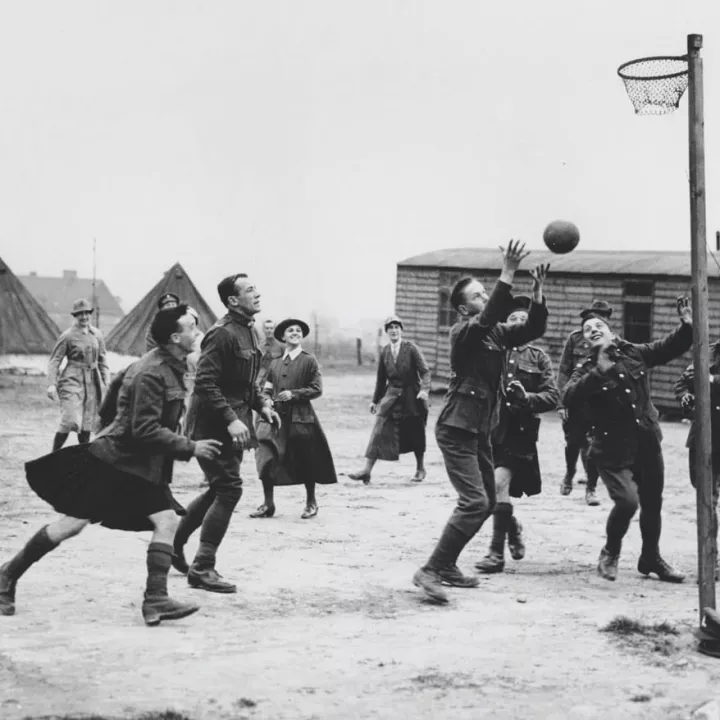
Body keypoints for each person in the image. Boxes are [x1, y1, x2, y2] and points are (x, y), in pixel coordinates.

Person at [0, 305, 223, 625]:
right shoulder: (151, 371)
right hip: (115, 464)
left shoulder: (170, 366)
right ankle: (7, 575)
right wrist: (190, 447)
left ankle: (156, 599)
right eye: (192, 327)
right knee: (71, 525)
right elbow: (144, 429)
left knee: (167, 521)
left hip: (139, 466)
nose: (198, 332)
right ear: (176, 337)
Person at [412, 240, 549, 604]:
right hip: (457, 428)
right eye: (478, 295)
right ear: (462, 308)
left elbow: (532, 329)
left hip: (481, 429)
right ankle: (430, 570)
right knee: (474, 502)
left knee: (487, 501)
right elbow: (488, 315)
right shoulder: (464, 331)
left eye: (486, 292)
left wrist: (537, 292)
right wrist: (507, 273)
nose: (485, 298)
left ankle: (449, 565)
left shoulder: (496, 333)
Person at [561, 296, 693, 583]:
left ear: (610, 331)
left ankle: (651, 558)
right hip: (611, 449)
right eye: (587, 329)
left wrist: (686, 326)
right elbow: (568, 396)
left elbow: (667, 348)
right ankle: (611, 552)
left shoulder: (633, 353)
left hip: (646, 441)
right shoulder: (585, 370)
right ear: (585, 341)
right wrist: (599, 371)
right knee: (627, 502)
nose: (593, 329)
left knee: (652, 503)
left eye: (598, 325)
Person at [172, 274, 281, 594]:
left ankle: (173, 549)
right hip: (213, 424)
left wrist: (262, 405)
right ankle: (203, 567)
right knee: (229, 489)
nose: (257, 293)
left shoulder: (249, 330)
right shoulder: (221, 335)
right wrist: (232, 419)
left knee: (219, 489)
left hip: (235, 422)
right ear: (233, 301)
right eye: (249, 290)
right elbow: (205, 382)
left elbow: (247, 382)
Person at [475, 295, 559, 574]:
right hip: (490, 429)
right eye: (513, 319)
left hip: (519, 432)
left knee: (499, 484)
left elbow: (552, 396)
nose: (519, 324)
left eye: (524, 320)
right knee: (489, 493)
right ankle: (512, 525)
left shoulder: (539, 358)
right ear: (504, 324)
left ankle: (495, 554)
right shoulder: (492, 351)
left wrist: (528, 398)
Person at [251, 318, 337, 519]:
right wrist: (266, 402)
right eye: (291, 330)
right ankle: (268, 504)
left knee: (306, 458)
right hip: (276, 418)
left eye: (298, 330)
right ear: (283, 336)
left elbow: (317, 389)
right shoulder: (275, 363)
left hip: (301, 418)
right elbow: (266, 390)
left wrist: (294, 394)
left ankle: (311, 503)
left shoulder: (309, 361)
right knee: (267, 457)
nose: (295, 333)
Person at [348, 315, 431, 483]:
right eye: (390, 328)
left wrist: (424, 390)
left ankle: (420, 468)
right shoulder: (385, 351)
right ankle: (366, 470)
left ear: (401, 330)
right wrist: (375, 400)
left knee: (415, 432)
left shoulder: (411, 349)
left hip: (411, 397)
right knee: (379, 430)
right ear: (387, 332)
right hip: (391, 397)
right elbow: (381, 379)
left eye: (396, 327)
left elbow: (425, 371)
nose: (394, 331)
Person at [557, 300, 610, 505]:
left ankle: (591, 489)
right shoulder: (575, 339)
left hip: (598, 403)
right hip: (575, 401)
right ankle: (570, 474)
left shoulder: (613, 342)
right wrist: (561, 403)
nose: (597, 321)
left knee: (594, 446)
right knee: (573, 443)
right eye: (593, 317)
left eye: (602, 318)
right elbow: (563, 370)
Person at [675, 341, 720, 580]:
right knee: (707, 500)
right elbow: (682, 382)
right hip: (706, 438)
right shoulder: (708, 352)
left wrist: (710, 381)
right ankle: (711, 558)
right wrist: (685, 396)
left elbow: (707, 381)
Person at [47, 298, 109, 451]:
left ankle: (84, 459)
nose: (83, 317)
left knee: (87, 422)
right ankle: (52, 455)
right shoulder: (67, 336)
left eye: (86, 313)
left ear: (90, 315)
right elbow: (55, 360)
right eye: (79, 314)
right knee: (69, 420)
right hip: (72, 380)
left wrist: (106, 379)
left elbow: (102, 358)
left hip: (92, 382)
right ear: (75, 316)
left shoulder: (97, 334)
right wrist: (51, 384)